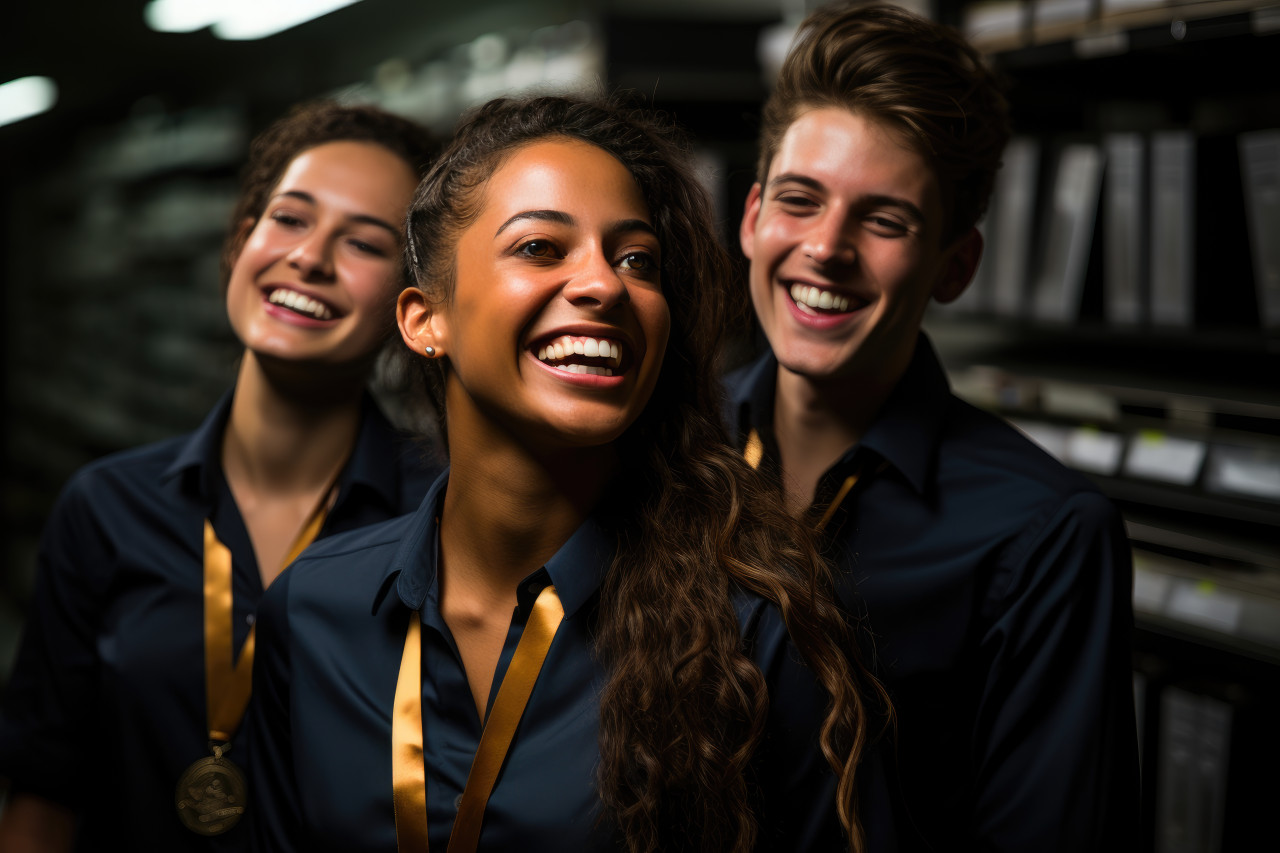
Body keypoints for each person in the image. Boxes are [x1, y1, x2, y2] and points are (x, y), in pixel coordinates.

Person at [246, 93, 893, 853]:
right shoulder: (312, 609)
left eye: (636, 260)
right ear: (427, 319)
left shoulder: (757, 626)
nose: (605, 285)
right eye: (540, 248)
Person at [727, 3, 1140, 849]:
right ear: (752, 217)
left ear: (955, 265)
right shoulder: (663, 447)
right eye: (800, 201)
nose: (827, 248)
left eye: (885, 221)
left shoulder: (1045, 539)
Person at [0, 101, 441, 852]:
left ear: (415, 306)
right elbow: (43, 798)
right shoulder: (105, 508)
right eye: (290, 219)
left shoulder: (443, 511)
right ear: (241, 242)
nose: (309, 257)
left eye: (364, 242)